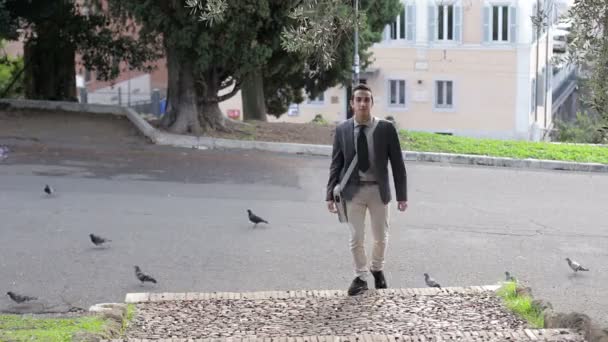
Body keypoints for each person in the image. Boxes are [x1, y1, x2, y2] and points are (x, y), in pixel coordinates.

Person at [326, 83, 408, 296]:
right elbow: (336, 163)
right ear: (352, 103)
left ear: (372, 103)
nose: (362, 103)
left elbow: (397, 163)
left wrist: (402, 196)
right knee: (356, 237)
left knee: (381, 236)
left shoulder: (386, 129)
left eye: (366, 100)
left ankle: (377, 268)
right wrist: (329, 195)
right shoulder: (343, 129)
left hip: (378, 191)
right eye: (358, 100)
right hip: (352, 192)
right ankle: (361, 276)